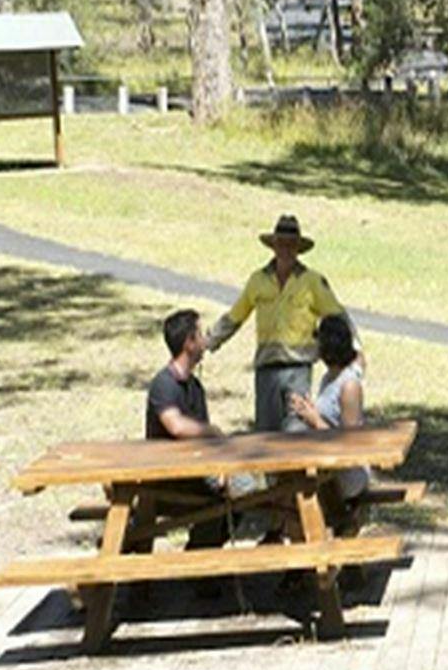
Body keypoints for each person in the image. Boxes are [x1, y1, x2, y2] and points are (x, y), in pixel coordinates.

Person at [206, 213, 350, 432]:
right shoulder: (258, 279)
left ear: (298, 248)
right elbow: (236, 316)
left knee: (296, 429)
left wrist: (353, 354)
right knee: (267, 432)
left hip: (298, 368)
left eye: (291, 245)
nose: (285, 249)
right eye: (281, 243)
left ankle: (295, 467)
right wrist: (209, 341)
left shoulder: (311, 281)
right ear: (273, 246)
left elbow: (338, 316)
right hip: (267, 368)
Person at [145, 308, 233, 550]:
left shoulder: (196, 387)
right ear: (188, 343)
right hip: (165, 482)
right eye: (200, 335)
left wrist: (222, 468)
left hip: (194, 478)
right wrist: (213, 430)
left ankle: (198, 564)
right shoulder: (163, 384)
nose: (205, 341)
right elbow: (175, 425)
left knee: (242, 502)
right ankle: (199, 572)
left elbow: (204, 444)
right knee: (221, 507)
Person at [288, 313, 371, 533]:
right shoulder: (329, 377)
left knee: (296, 498)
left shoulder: (349, 385)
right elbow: (361, 355)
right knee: (289, 490)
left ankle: (317, 557)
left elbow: (350, 444)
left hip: (346, 475)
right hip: (327, 466)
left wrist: (314, 419)